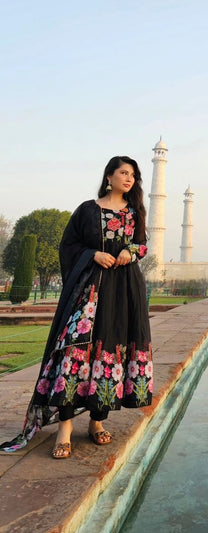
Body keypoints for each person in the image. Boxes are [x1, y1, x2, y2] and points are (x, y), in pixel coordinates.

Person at [1, 156, 153, 458]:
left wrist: (129, 252)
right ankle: (65, 428)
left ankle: (97, 422)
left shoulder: (135, 213)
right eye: (123, 173)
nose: (129, 178)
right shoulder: (87, 210)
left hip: (123, 292)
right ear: (109, 176)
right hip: (90, 290)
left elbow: (142, 244)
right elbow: (68, 247)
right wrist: (94, 255)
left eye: (133, 175)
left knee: (111, 349)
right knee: (75, 352)